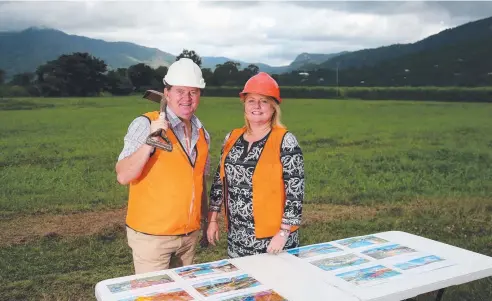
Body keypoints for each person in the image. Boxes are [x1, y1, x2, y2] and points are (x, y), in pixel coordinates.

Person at [115, 58, 211, 274]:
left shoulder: (202, 133)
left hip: (189, 237)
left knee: (182, 296)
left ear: (199, 96)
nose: (187, 98)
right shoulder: (146, 124)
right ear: (166, 93)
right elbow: (123, 175)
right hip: (152, 238)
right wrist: (149, 142)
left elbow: (200, 182)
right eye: (180, 91)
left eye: (193, 92)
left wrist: (204, 222)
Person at [206, 72, 305, 258]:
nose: (257, 106)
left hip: (273, 240)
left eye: (264, 101)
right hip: (237, 236)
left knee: (277, 286)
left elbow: (295, 191)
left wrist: (284, 232)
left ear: (274, 106)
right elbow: (220, 182)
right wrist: (212, 219)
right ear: (244, 104)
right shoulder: (231, 138)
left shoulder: (285, 140)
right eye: (251, 100)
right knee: (243, 284)